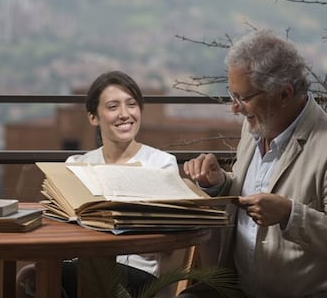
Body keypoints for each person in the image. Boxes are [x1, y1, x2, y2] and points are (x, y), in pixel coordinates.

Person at [177, 29, 327, 298]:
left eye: (243, 98)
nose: (235, 108)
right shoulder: (256, 127)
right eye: (232, 96)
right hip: (235, 288)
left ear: (284, 94)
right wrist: (220, 182)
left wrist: (289, 215)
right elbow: (251, 191)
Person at [17, 70, 184, 297]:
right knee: (46, 277)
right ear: (93, 117)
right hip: (80, 265)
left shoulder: (161, 164)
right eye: (113, 107)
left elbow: (168, 245)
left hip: (136, 274)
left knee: (50, 278)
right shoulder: (77, 164)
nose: (125, 114)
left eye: (131, 105)